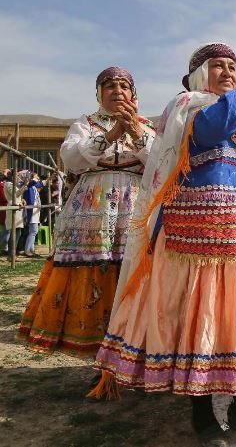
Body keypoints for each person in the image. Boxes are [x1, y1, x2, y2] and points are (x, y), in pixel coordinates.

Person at [93, 40, 236, 447]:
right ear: (197, 74)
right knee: (199, 330)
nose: (228, 71)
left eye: (232, 65)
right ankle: (204, 418)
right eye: (217, 65)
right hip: (196, 248)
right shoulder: (188, 108)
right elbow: (213, 128)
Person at [17, 67, 155, 358]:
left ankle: (132, 352)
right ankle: (98, 352)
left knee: (131, 271)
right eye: (109, 86)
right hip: (92, 210)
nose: (117, 91)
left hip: (134, 208)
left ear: (133, 94)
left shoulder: (147, 127)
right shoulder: (86, 124)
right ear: (98, 93)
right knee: (94, 272)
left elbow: (159, 162)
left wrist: (135, 132)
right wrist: (113, 133)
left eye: (123, 86)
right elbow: (72, 158)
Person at [22, 172, 43, 257]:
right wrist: (34, 177)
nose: (37, 177)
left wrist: (50, 177)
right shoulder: (29, 185)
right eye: (36, 176)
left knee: (34, 231)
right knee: (33, 231)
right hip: (31, 212)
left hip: (36, 212)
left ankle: (31, 250)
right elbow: (33, 182)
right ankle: (27, 250)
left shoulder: (34, 186)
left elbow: (41, 183)